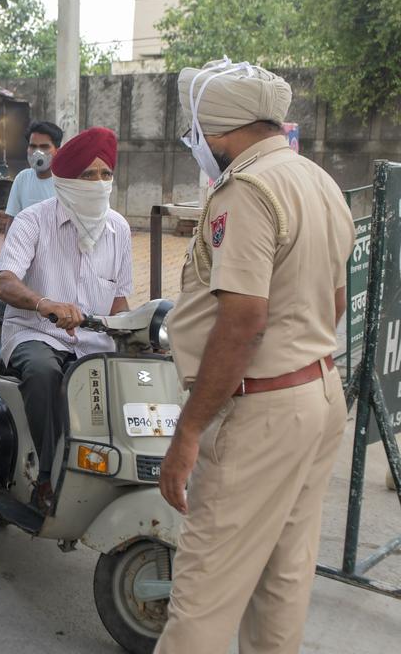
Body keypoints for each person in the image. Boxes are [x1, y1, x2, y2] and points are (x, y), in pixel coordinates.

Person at [155, 60, 354, 654]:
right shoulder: (318, 180)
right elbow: (335, 298)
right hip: (317, 394)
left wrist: (188, 431)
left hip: (263, 410)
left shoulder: (247, 189)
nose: (200, 148)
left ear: (220, 132)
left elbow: (242, 321)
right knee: (282, 580)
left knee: (204, 594)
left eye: (198, 136)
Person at [0, 127, 133, 509]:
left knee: (136, 378)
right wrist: (43, 304)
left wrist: (135, 334)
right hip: (34, 333)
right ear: (67, 179)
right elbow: (3, 281)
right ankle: (49, 476)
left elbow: (119, 300)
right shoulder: (32, 221)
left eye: (106, 175)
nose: (99, 184)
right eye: (89, 175)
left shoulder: (119, 228)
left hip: (94, 340)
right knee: (44, 372)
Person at [5, 120, 64, 220]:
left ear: (57, 151)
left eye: (44, 147)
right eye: (33, 146)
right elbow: (12, 220)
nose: (38, 152)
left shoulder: (65, 182)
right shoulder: (22, 179)